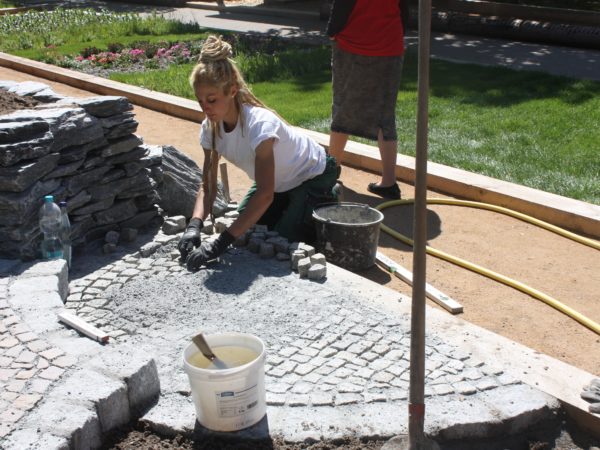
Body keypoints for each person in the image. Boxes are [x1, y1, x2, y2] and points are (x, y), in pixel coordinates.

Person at [178, 35, 339, 271]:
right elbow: (208, 184)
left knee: (281, 240)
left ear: (232, 90)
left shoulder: (259, 126)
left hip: (312, 174)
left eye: (211, 100)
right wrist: (194, 225)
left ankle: (328, 195)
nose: (205, 108)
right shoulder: (210, 128)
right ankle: (291, 203)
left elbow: (264, 195)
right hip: (275, 184)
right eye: (200, 101)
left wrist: (221, 243)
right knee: (250, 232)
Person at [326, 0, 409, 199]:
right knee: (385, 114)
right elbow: (404, 11)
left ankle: (330, 170)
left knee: (343, 106)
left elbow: (342, 6)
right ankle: (389, 182)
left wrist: (331, 31)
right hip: (390, 44)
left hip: (353, 42)